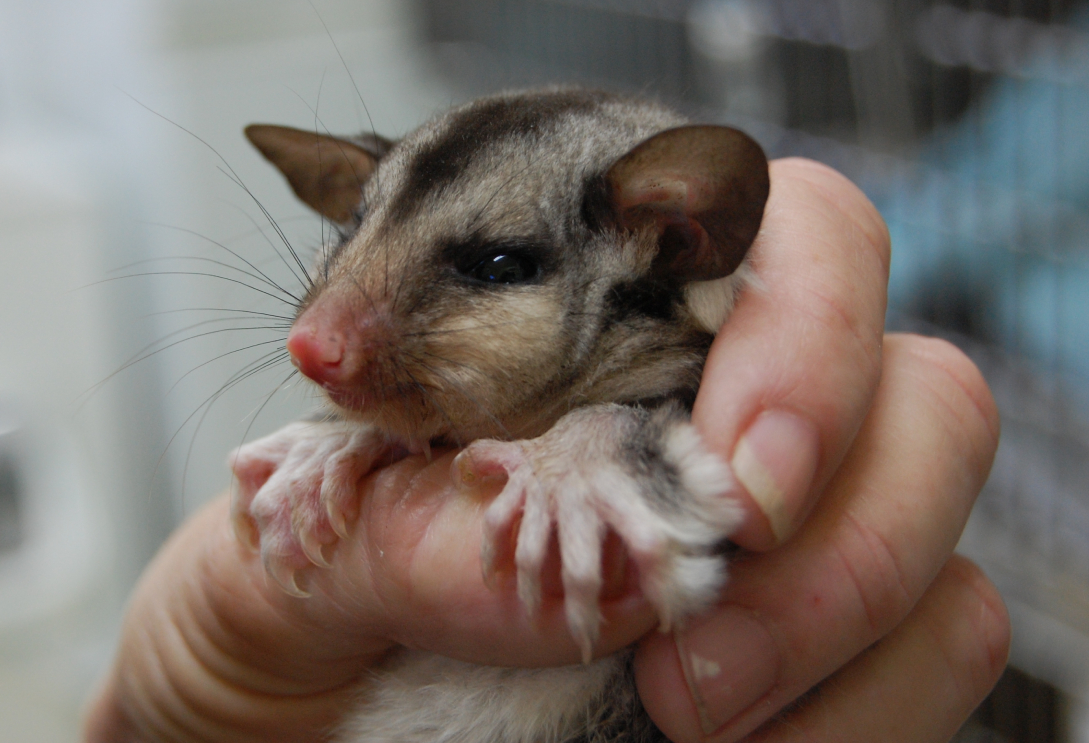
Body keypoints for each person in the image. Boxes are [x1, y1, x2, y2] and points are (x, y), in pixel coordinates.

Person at [83, 159, 1009, 743]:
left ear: (672, 250)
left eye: (493, 266)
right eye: (354, 234)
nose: (317, 341)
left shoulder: (671, 393)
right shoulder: (442, 435)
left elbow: (662, 468)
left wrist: (602, 444)